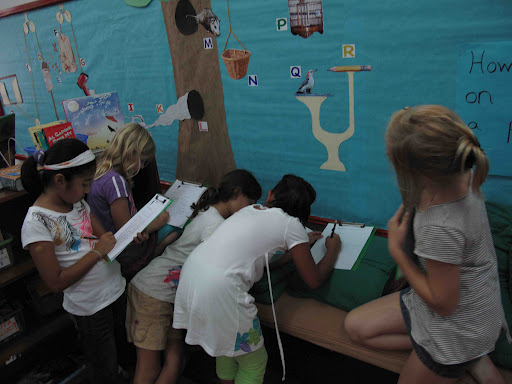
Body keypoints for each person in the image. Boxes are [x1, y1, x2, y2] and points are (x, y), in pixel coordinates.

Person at [344, 105, 510, 384]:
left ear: (421, 172)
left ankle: (467, 355)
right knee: (356, 327)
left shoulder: (439, 227)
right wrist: (411, 123)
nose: (386, 152)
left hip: (458, 325)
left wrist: (398, 253)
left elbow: (444, 305)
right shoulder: (460, 171)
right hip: (459, 297)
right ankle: (474, 356)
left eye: (392, 152)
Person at [172, 174, 341, 384]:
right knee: (254, 361)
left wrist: (295, 250)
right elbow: (314, 280)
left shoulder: (249, 210)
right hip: (221, 290)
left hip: (191, 277)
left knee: (227, 348)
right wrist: (333, 250)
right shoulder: (292, 225)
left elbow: (257, 259)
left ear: (270, 195)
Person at [126, 169, 262, 384]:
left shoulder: (208, 213)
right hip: (152, 293)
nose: (249, 210)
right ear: (236, 193)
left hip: (164, 295)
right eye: (250, 202)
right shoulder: (215, 225)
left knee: (176, 362)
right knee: (149, 369)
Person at [20, 138, 126, 384]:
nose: (88, 190)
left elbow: (104, 238)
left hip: (116, 291)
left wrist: (130, 236)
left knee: (122, 354)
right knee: (104, 369)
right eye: (85, 183)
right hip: (90, 309)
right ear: (59, 181)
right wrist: (98, 252)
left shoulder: (76, 202)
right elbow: (56, 282)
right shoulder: (36, 223)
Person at [88, 122, 169, 281]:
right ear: (132, 153)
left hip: (109, 245)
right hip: (123, 253)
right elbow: (127, 232)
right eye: (144, 161)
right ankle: (141, 268)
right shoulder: (116, 182)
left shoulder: (101, 171)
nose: (144, 166)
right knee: (171, 231)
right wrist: (158, 221)